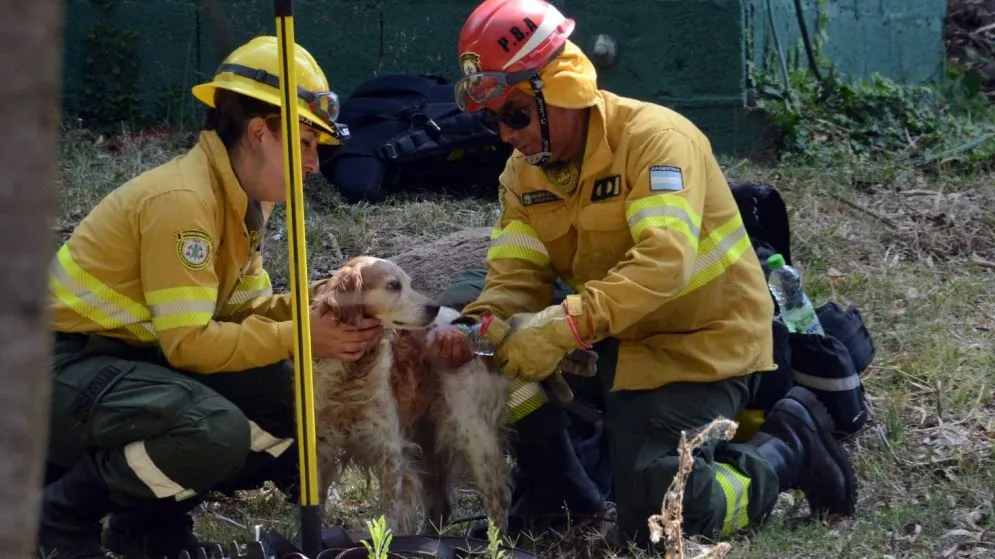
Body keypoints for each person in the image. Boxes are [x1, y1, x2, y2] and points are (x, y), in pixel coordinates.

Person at [428, 0, 859, 547]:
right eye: (494, 120)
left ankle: (787, 449)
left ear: (562, 87)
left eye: (513, 114)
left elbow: (664, 262)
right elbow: (517, 273)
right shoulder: (522, 173)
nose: (506, 134)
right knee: (484, 335)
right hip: (612, 336)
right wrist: (482, 325)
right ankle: (556, 488)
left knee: (658, 519)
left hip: (702, 346)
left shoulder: (656, 141)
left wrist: (564, 328)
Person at [40, 36, 384, 559]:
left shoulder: (239, 199)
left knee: (292, 398)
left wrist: (326, 300)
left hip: (125, 363)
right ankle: (58, 516)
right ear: (260, 133)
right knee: (212, 431)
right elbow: (190, 346)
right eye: (306, 143)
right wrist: (304, 335)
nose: (315, 163)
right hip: (61, 371)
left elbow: (246, 310)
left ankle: (148, 529)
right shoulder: (184, 204)